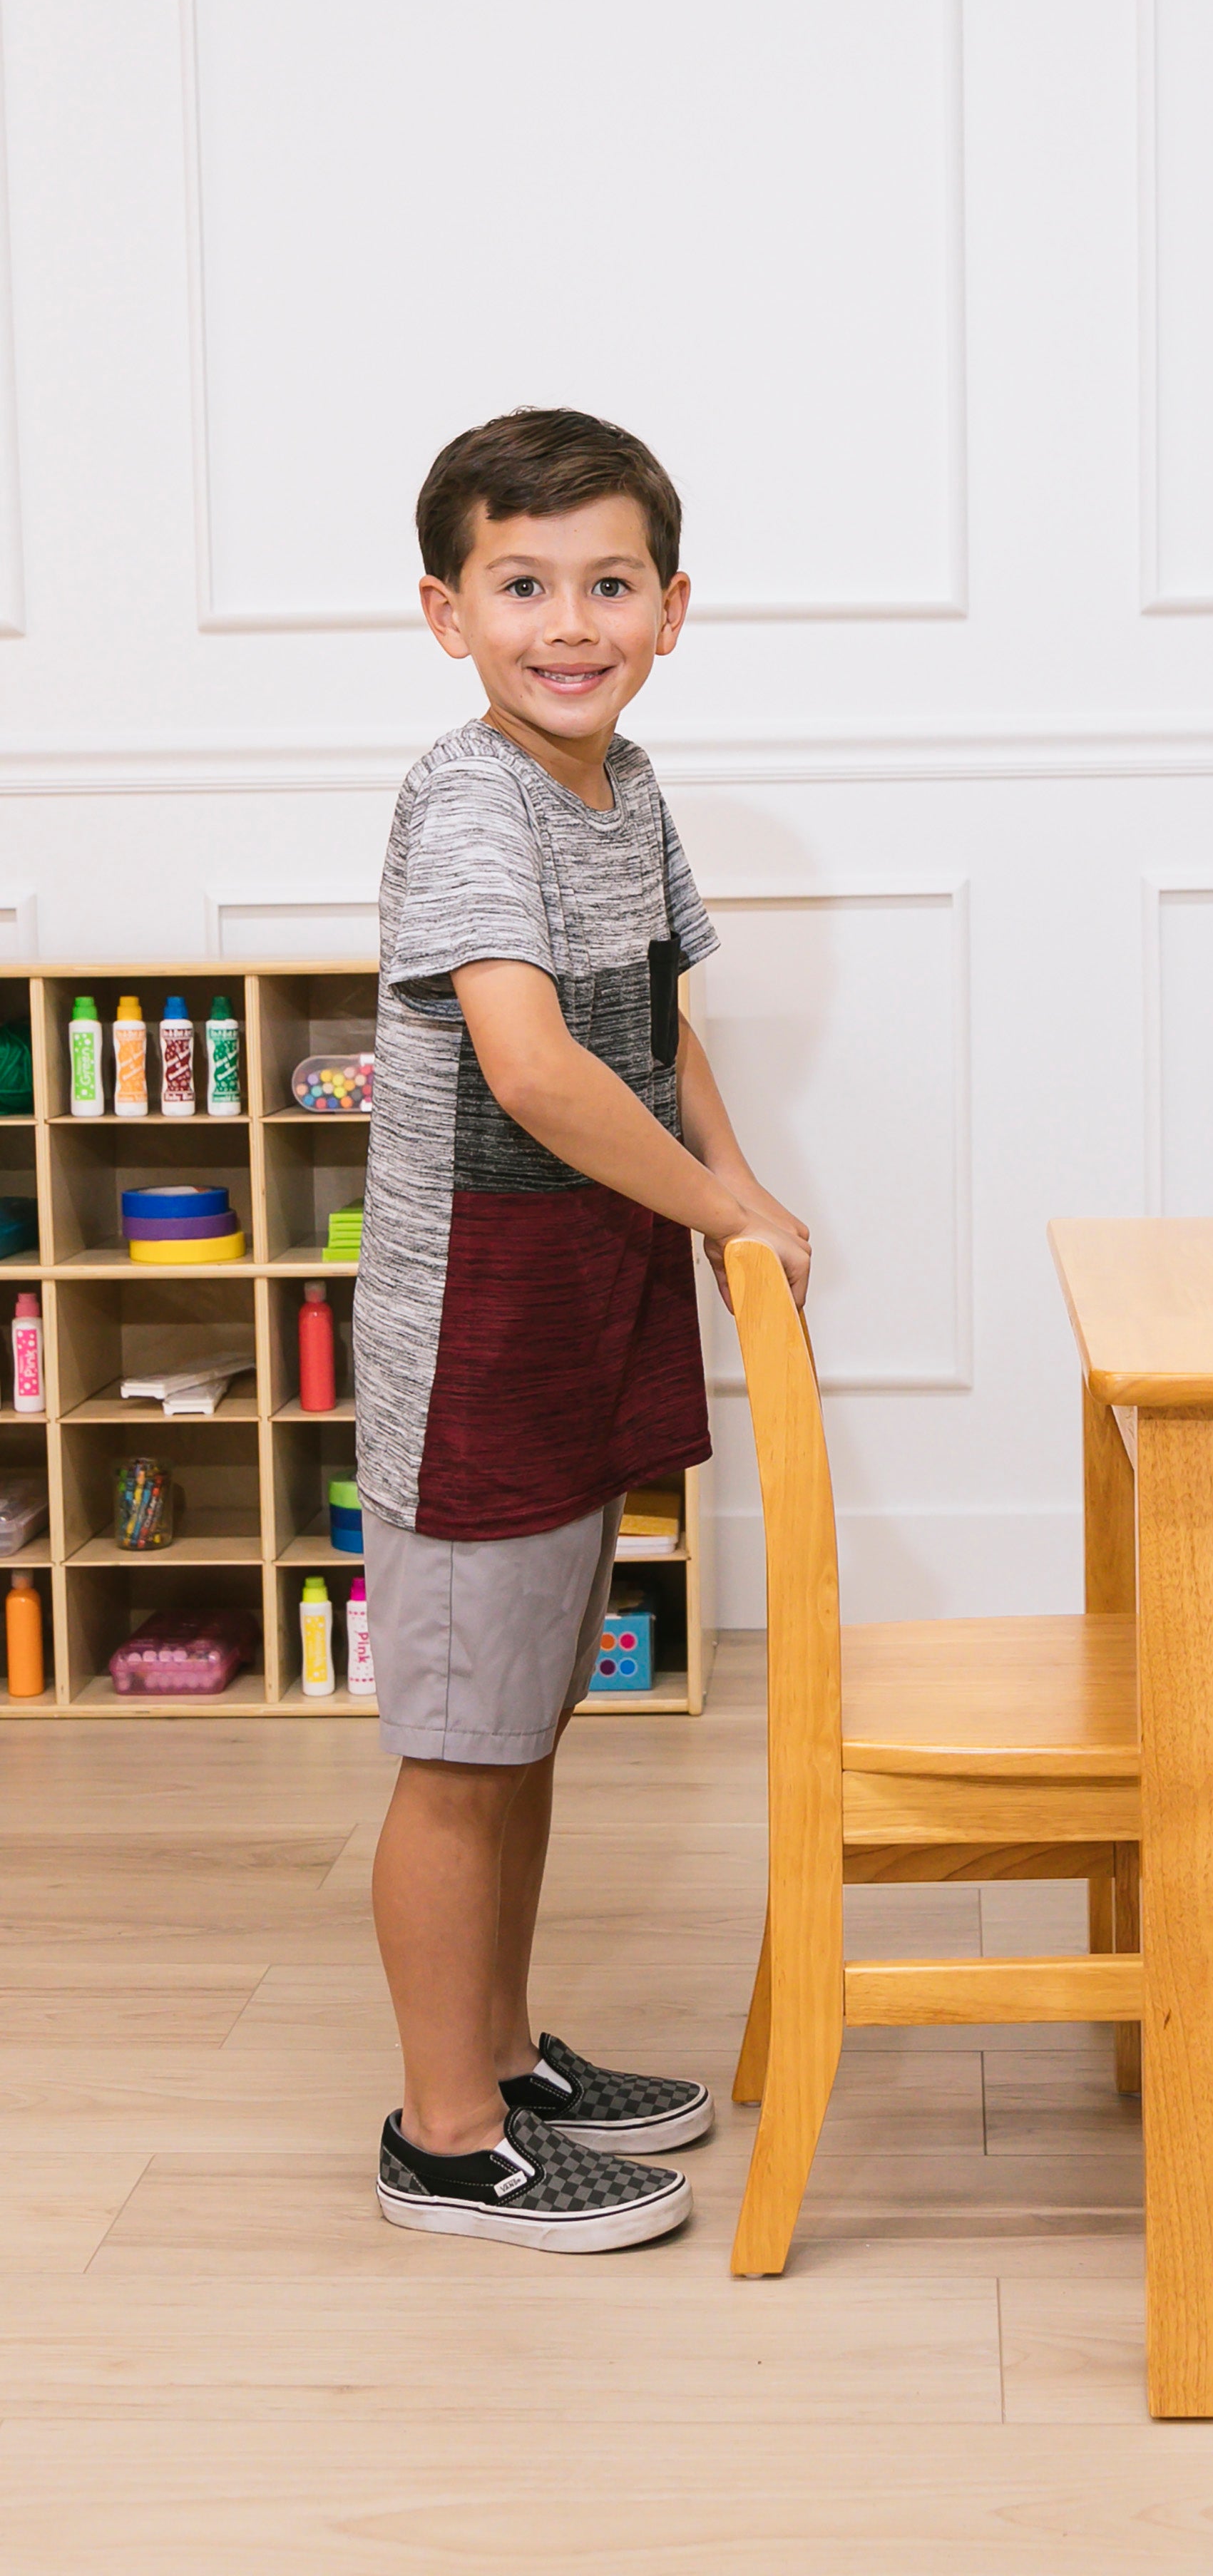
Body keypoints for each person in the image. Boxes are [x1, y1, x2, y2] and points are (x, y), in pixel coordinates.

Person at [357, 408, 811, 2249]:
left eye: (607, 583)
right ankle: (446, 2138)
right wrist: (715, 1208)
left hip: (585, 1295)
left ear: (673, 606)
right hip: (480, 1320)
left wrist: (737, 1187)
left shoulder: (626, 788)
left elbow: (647, 1015)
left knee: (527, 1717)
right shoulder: (472, 800)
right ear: (445, 611)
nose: (569, 621)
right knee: (464, 1742)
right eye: (521, 584)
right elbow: (536, 1070)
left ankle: (508, 2048)